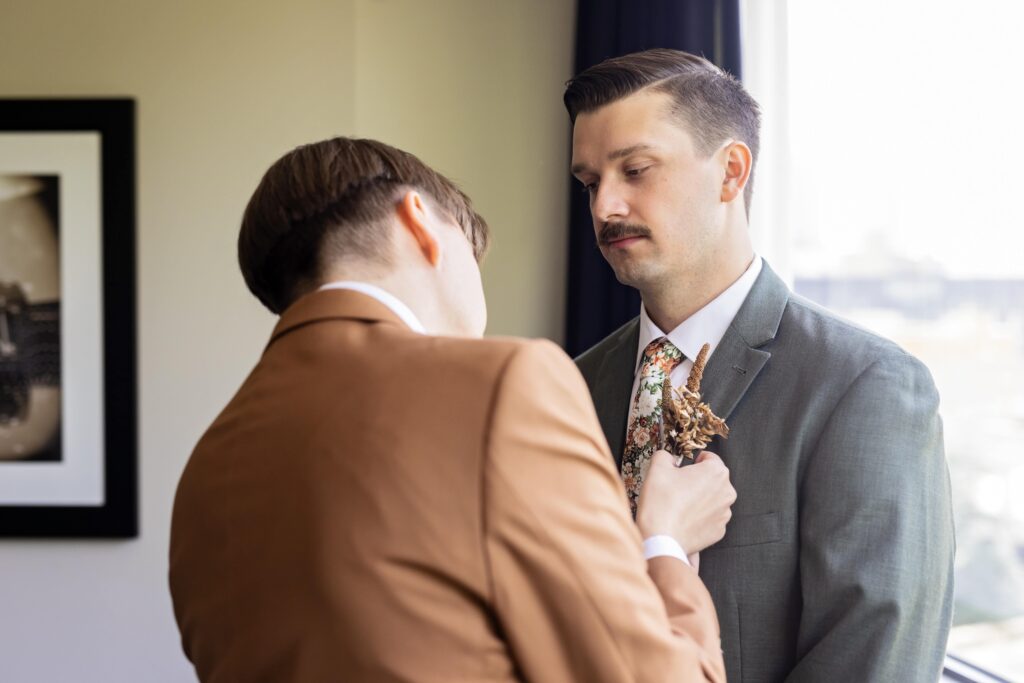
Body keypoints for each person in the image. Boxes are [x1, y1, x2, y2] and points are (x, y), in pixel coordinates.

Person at [168, 136, 737, 682]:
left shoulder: (206, 470)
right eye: (472, 249)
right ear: (419, 223)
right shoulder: (503, 387)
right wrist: (663, 543)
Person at [566, 48, 956, 682]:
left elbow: (874, 665)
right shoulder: (571, 386)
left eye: (635, 170)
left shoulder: (865, 386)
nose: (605, 206)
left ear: (730, 172)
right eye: (589, 183)